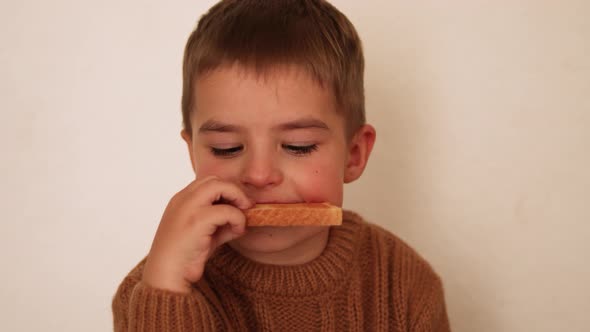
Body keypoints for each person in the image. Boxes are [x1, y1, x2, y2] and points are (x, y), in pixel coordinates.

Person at [112, 0, 450, 330]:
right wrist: (167, 291)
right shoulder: (150, 292)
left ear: (354, 154)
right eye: (226, 149)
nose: (259, 175)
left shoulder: (405, 286)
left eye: (297, 146)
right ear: (193, 155)